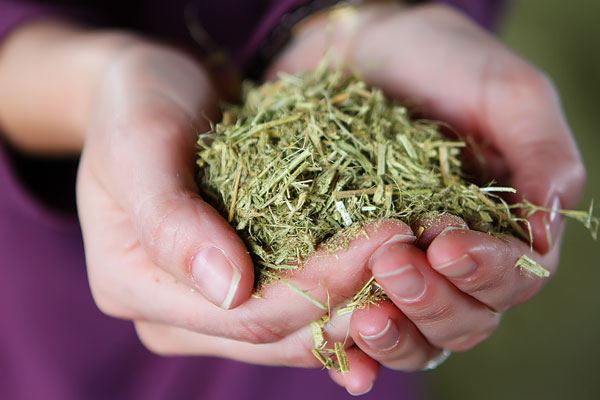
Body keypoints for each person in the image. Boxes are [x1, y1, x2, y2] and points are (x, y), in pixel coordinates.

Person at [0, 0, 585, 398]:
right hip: (50, 291)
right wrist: (95, 83)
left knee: (368, 333)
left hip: (335, 340)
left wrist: (358, 13)